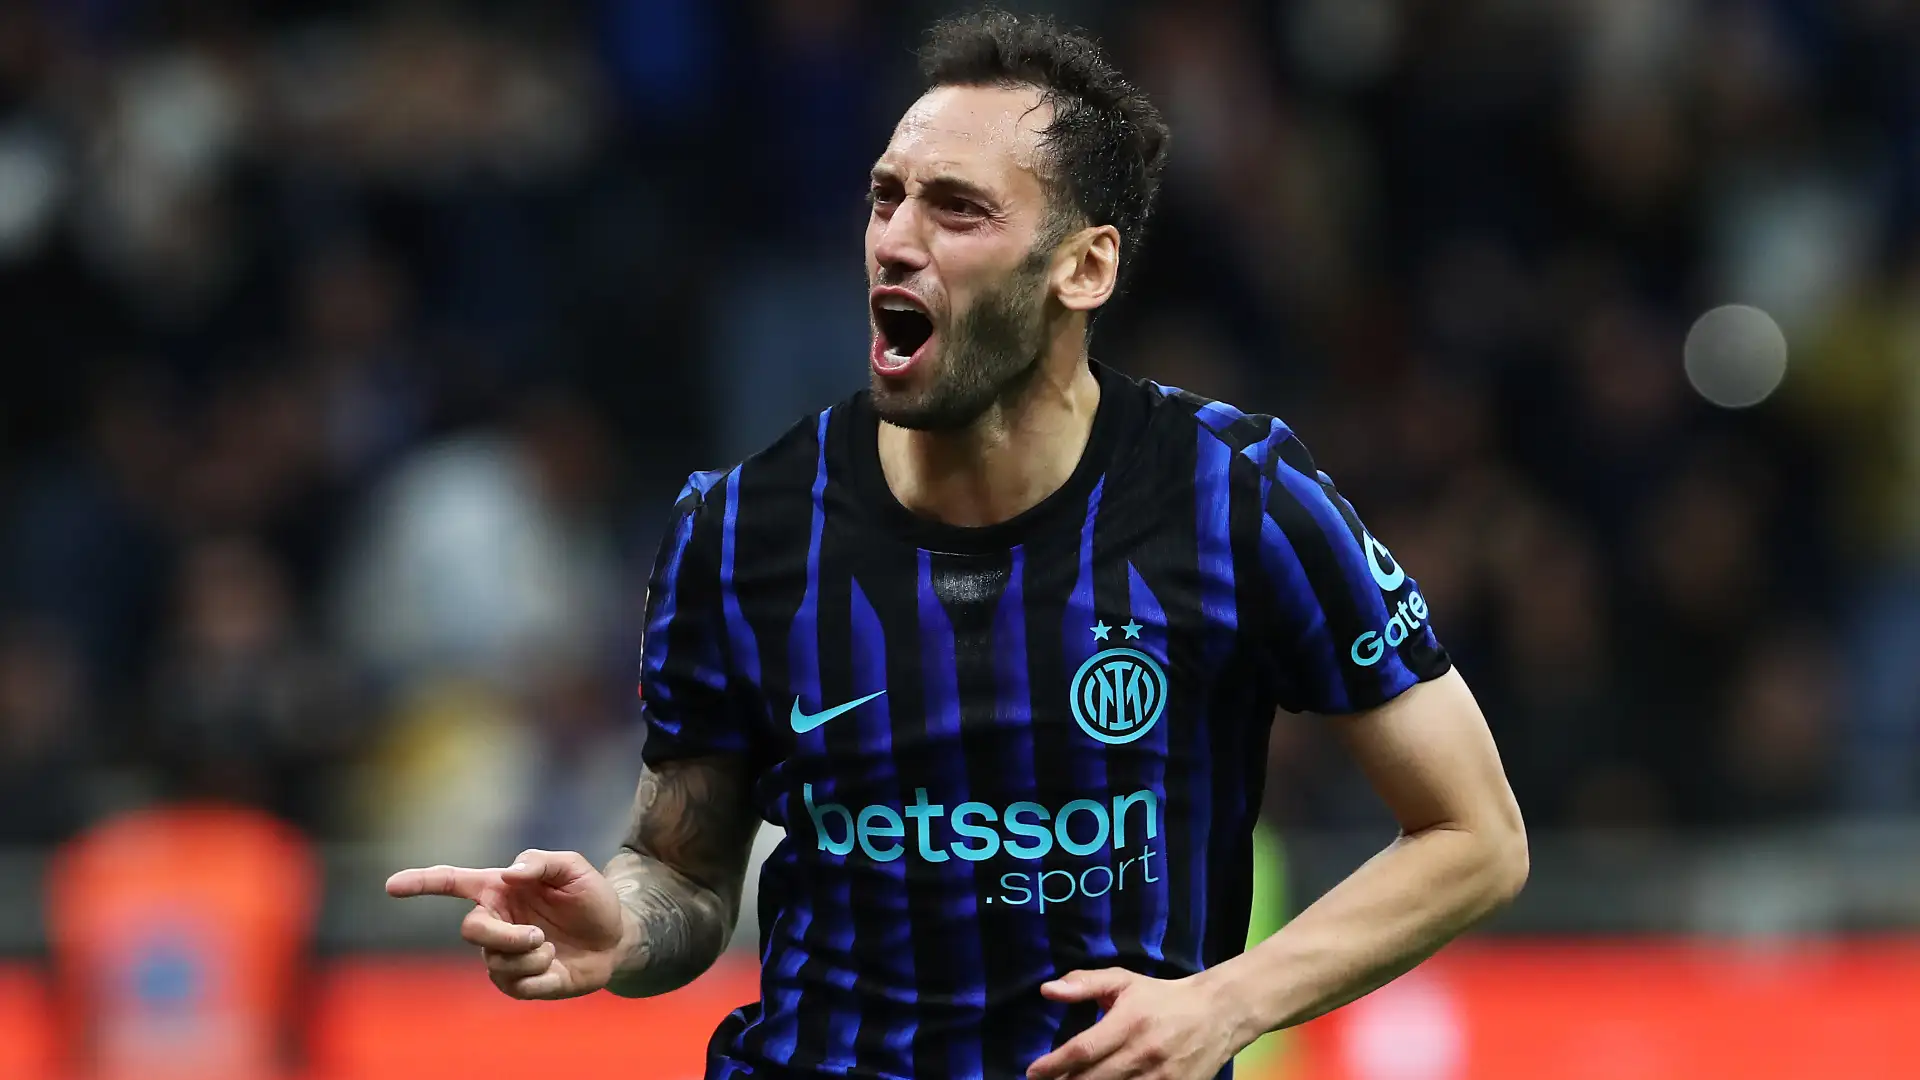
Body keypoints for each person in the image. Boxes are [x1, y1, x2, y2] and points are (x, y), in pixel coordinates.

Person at [387, 11, 1528, 1080]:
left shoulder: (1236, 499)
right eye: (885, 197)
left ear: (1084, 267)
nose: (895, 240)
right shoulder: (740, 530)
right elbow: (683, 868)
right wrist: (622, 927)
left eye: (958, 209)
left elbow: (1475, 836)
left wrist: (1230, 1001)